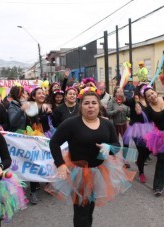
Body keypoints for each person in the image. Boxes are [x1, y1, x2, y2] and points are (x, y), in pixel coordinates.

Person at [47, 89, 135, 227]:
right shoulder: (71, 123)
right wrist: (60, 164)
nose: (90, 106)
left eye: (94, 103)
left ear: (99, 106)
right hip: (79, 173)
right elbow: (54, 142)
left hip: (100, 171)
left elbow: (116, 145)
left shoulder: (107, 124)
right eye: (86, 103)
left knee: (90, 209)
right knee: (81, 210)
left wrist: (109, 147)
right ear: (80, 106)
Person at [122, 83, 153, 183]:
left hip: (149, 128)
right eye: (144, 88)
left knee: (150, 149)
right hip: (136, 130)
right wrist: (120, 91)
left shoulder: (149, 100)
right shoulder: (134, 100)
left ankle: (139, 161)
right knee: (142, 150)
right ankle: (141, 173)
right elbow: (124, 100)